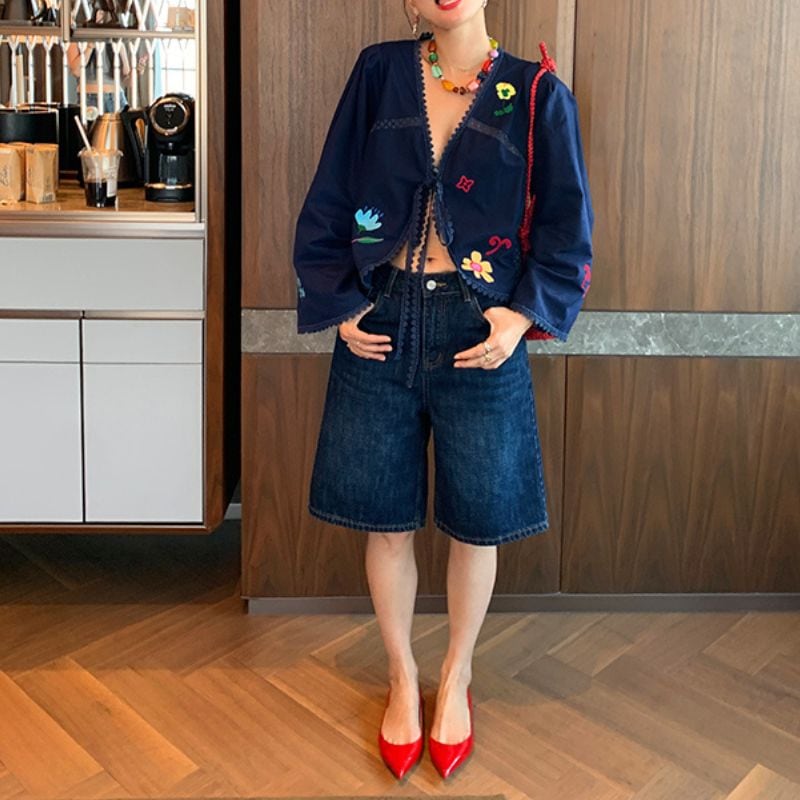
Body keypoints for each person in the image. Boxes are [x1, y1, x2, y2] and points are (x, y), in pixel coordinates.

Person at [292, 0, 593, 781]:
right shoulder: (379, 72)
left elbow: (567, 226)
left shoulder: (536, 93)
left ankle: (456, 676)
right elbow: (331, 191)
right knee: (385, 522)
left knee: (475, 524)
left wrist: (519, 318)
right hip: (381, 318)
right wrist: (340, 302)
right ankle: (402, 677)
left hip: (477, 329)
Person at [66, 39, 147, 114]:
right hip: (90, 99)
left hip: (117, 98)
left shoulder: (117, 41)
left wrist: (137, 71)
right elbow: (76, 72)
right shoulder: (77, 39)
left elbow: (127, 81)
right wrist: (89, 48)